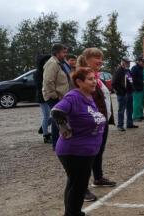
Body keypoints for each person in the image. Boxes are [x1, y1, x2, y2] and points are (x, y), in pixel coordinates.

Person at [51, 67, 106, 216]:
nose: (94, 81)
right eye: (90, 79)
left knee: (75, 184)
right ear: (79, 82)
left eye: (94, 78)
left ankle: (72, 213)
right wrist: (65, 129)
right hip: (74, 151)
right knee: (78, 186)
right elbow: (56, 111)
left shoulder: (89, 97)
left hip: (85, 151)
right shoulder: (73, 96)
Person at [77, 48, 116, 202]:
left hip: (101, 121)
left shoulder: (96, 77)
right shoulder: (81, 77)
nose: (100, 61)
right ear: (87, 59)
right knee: (87, 156)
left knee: (98, 151)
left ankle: (98, 178)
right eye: (96, 58)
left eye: (101, 58)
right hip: (90, 123)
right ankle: (81, 189)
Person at [42, 43, 70, 150]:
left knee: (61, 119)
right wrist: (54, 96)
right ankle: (56, 144)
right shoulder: (52, 63)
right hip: (55, 97)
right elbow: (48, 81)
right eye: (63, 52)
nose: (65, 54)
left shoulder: (61, 62)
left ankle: (62, 141)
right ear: (57, 53)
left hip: (62, 96)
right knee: (57, 119)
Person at [112, 57, 138, 131]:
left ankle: (129, 123)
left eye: (129, 62)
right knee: (121, 110)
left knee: (130, 109)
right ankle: (120, 125)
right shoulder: (118, 71)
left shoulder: (127, 71)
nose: (129, 63)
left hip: (129, 93)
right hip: (122, 94)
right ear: (123, 62)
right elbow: (114, 83)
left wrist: (132, 89)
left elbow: (130, 81)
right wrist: (120, 92)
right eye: (127, 62)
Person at [35, 54, 53, 144]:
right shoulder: (38, 73)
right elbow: (40, 86)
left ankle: (43, 128)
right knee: (46, 116)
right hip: (43, 97)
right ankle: (46, 135)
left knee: (51, 115)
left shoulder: (47, 71)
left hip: (47, 96)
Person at [130, 56, 144, 121]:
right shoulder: (134, 68)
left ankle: (140, 115)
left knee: (142, 102)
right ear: (138, 61)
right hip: (137, 88)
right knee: (137, 103)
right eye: (142, 61)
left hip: (142, 87)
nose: (143, 63)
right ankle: (136, 117)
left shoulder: (142, 68)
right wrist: (141, 81)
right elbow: (133, 78)